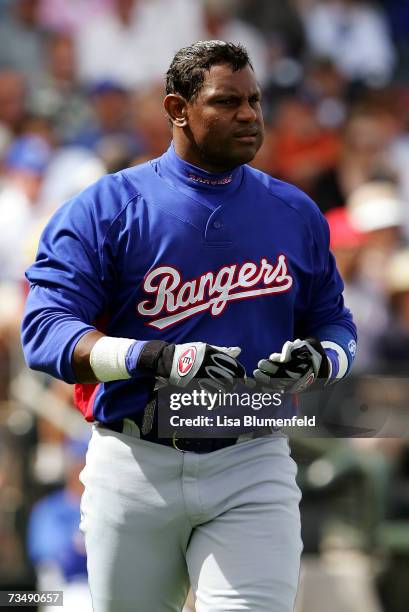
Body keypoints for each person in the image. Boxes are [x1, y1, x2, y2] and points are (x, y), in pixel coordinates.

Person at [21, 41, 357, 612]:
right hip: (135, 459)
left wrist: (323, 358)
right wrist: (152, 357)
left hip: (252, 455)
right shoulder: (106, 206)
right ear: (177, 108)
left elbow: (336, 324)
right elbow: (46, 332)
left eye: (254, 100)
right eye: (227, 102)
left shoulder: (294, 210)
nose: (249, 114)